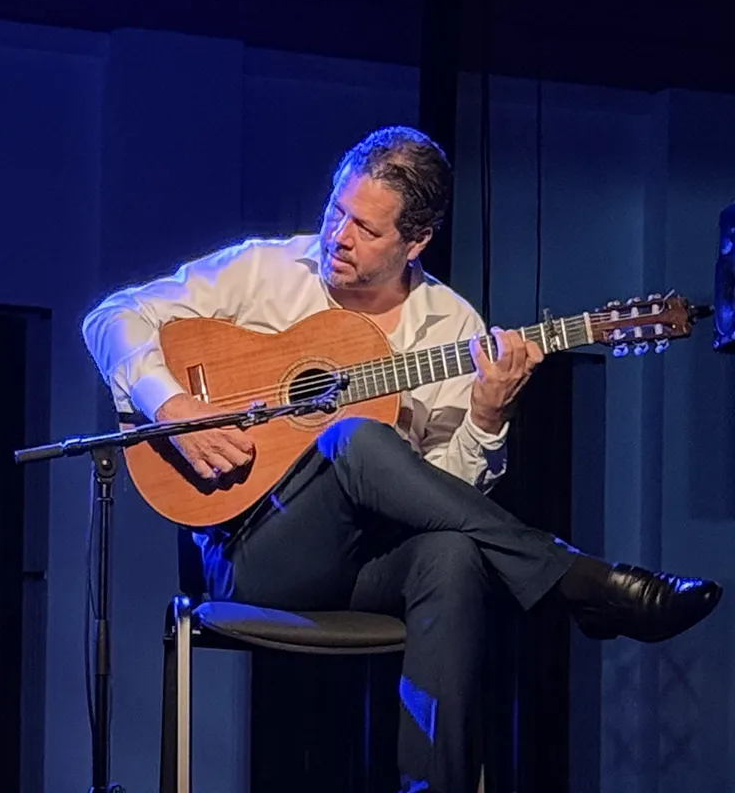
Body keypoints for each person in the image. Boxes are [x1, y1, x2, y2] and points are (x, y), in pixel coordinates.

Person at [81, 126, 721, 793]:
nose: (337, 235)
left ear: (415, 243)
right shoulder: (266, 270)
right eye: (335, 210)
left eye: (365, 227)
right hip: (253, 551)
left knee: (453, 553)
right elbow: (108, 318)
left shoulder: (453, 328)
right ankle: (578, 579)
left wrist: (487, 416)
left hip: (369, 564)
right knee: (352, 438)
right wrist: (170, 406)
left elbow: (444, 504)